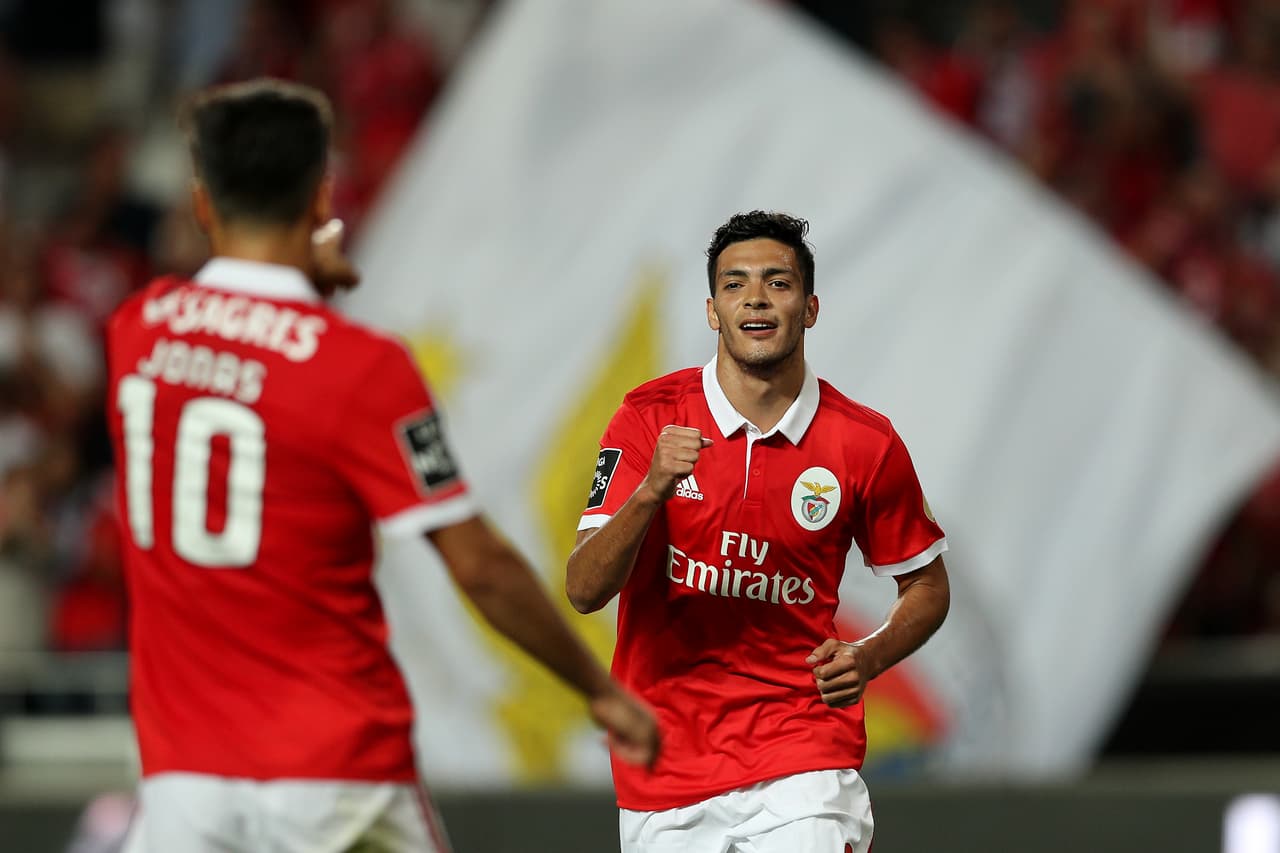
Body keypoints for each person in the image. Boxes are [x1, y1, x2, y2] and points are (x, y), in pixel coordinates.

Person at [107, 78, 658, 852]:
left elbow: (233, 338)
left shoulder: (137, 334)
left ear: (202, 202)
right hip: (338, 784)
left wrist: (296, 278)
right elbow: (482, 567)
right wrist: (600, 690)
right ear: (321, 195)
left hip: (185, 793)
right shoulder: (359, 368)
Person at [567, 211, 950, 853]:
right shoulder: (647, 419)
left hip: (803, 756)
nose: (756, 298)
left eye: (778, 282)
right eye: (736, 283)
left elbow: (928, 586)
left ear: (810, 307)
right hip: (666, 768)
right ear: (714, 311)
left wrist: (869, 655)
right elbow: (583, 588)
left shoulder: (864, 443)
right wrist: (652, 489)